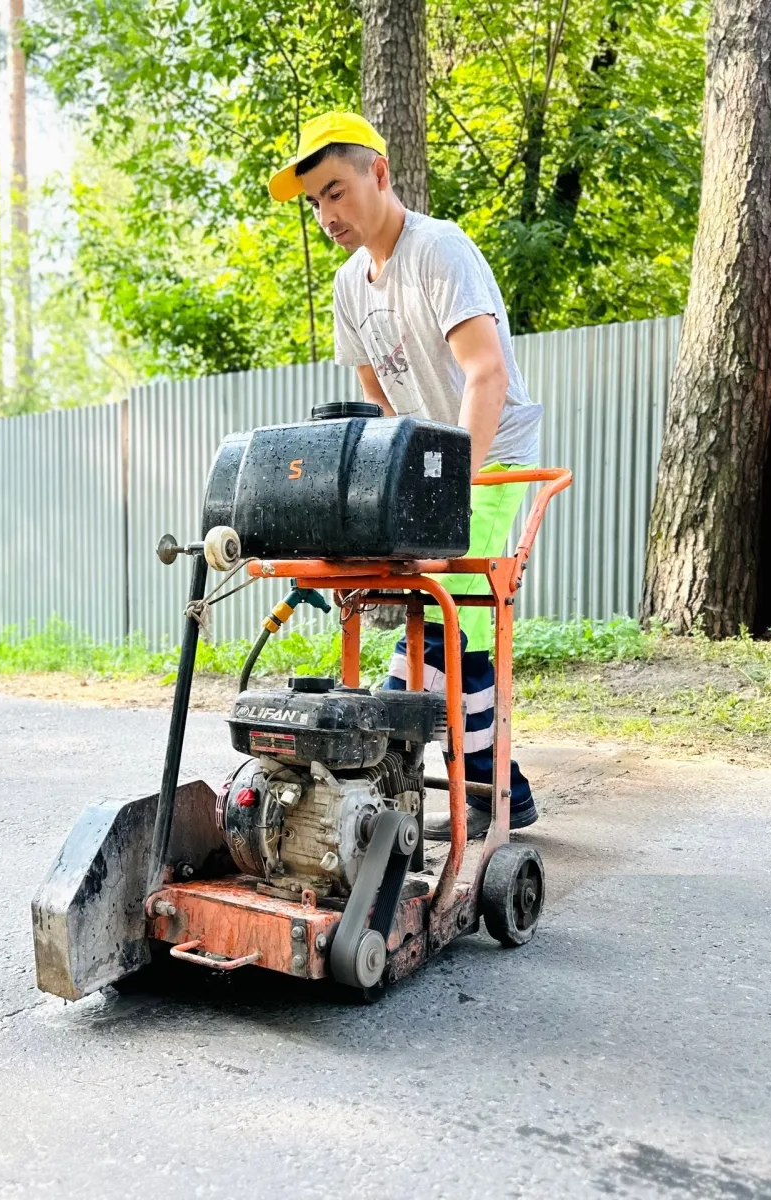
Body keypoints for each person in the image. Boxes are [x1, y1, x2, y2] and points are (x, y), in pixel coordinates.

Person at [268, 111, 544, 837]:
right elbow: (380, 409)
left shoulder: (438, 251)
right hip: (426, 465)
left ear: (379, 175)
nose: (328, 213)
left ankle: (489, 788)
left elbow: (485, 376)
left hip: (492, 453)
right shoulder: (348, 287)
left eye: (336, 191)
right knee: (423, 616)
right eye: (316, 202)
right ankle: (482, 780)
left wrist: (448, 499)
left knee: (452, 618)